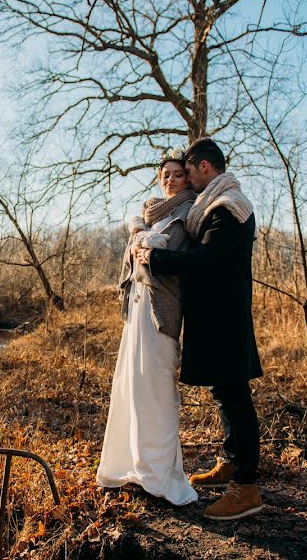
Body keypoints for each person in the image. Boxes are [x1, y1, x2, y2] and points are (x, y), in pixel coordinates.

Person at [136, 137, 264, 520]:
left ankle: (247, 487)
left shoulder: (230, 209)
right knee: (225, 393)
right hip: (214, 316)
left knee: (236, 397)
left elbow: (207, 260)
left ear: (205, 168)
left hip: (226, 318)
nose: (186, 179)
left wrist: (156, 257)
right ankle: (230, 462)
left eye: (188, 171)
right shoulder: (214, 206)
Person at [95, 150, 198, 506]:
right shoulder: (149, 213)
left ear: (188, 179)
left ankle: (158, 476)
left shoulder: (188, 213)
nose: (170, 179)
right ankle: (130, 467)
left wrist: (144, 240)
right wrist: (138, 233)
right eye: (165, 174)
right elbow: (133, 255)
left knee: (156, 390)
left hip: (161, 311)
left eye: (177, 174)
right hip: (136, 310)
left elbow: (172, 253)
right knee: (132, 388)